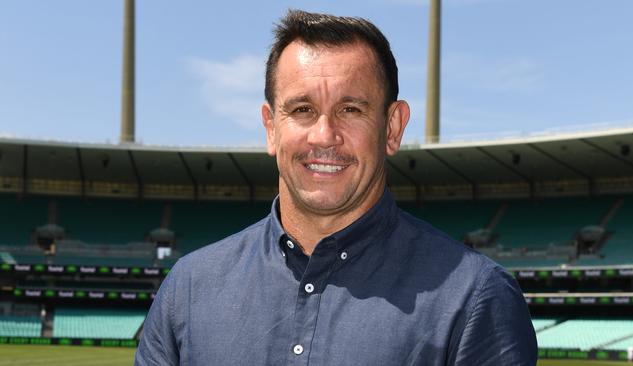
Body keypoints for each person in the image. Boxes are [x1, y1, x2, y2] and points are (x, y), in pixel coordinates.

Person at [135, 9, 537, 366]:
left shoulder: (475, 297)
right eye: (302, 110)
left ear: (392, 127)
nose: (324, 135)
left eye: (350, 110)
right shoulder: (188, 287)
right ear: (271, 128)